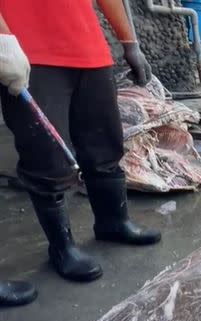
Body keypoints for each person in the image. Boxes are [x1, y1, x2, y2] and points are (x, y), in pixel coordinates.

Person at [0, 0, 161, 283]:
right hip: (28, 51)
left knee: (105, 143)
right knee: (46, 156)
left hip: (88, 47)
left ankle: (113, 221)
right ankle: (62, 248)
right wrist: (3, 39)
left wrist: (129, 41)